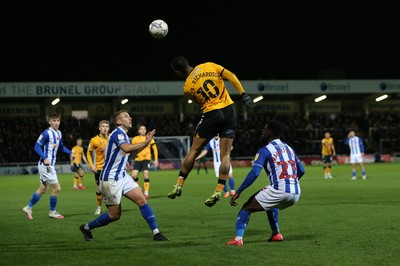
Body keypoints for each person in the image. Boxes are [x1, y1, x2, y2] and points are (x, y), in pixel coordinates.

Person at [167, 56, 255, 207]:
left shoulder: (187, 87)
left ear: (177, 71)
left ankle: (179, 185)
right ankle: (219, 190)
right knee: (225, 155)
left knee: (194, 151)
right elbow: (231, 76)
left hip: (212, 114)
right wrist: (243, 94)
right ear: (188, 62)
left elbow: (199, 101)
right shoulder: (209, 65)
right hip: (229, 111)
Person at [79, 110, 168, 242]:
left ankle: (156, 233)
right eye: (126, 117)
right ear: (119, 121)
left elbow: (130, 152)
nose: (130, 118)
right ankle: (87, 227)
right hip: (110, 179)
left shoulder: (124, 135)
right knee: (115, 215)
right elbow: (127, 148)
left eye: (130, 116)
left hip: (122, 175)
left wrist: (147, 142)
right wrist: (145, 141)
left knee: (142, 200)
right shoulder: (117, 133)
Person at [226, 120, 305, 246]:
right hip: (296, 192)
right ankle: (276, 234)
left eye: (264, 130)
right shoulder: (290, 148)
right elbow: (301, 170)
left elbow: (254, 173)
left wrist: (239, 191)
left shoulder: (265, 150)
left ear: (269, 132)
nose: (262, 132)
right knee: (270, 205)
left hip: (280, 190)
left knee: (246, 208)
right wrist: (291, 183)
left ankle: (238, 239)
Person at [22, 112, 75, 220]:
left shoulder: (59, 133)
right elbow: (37, 147)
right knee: (57, 188)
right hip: (46, 166)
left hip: (49, 165)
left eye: (58, 121)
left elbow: (61, 147)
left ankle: (28, 208)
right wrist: (45, 157)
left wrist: (70, 153)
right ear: (50, 121)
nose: (56, 123)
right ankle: (52, 212)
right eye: (54, 121)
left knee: (42, 189)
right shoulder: (46, 133)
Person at [86, 120, 110, 215]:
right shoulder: (94, 140)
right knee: (99, 189)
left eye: (106, 126)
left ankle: (111, 207)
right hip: (99, 168)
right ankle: (99, 208)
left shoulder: (111, 138)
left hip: (109, 168)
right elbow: (88, 152)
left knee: (109, 189)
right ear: (100, 128)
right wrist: (92, 165)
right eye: (103, 126)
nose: (105, 128)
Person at [131, 124, 159, 199]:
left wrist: (156, 159)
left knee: (146, 175)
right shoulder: (135, 139)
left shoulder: (149, 138)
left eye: (144, 129)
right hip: (137, 159)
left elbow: (155, 148)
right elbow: (132, 149)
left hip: (146, 159)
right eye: (141, 129)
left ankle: (146, 193)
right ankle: (139, 188)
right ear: (139, 131)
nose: (143, 130)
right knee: (134, 176)